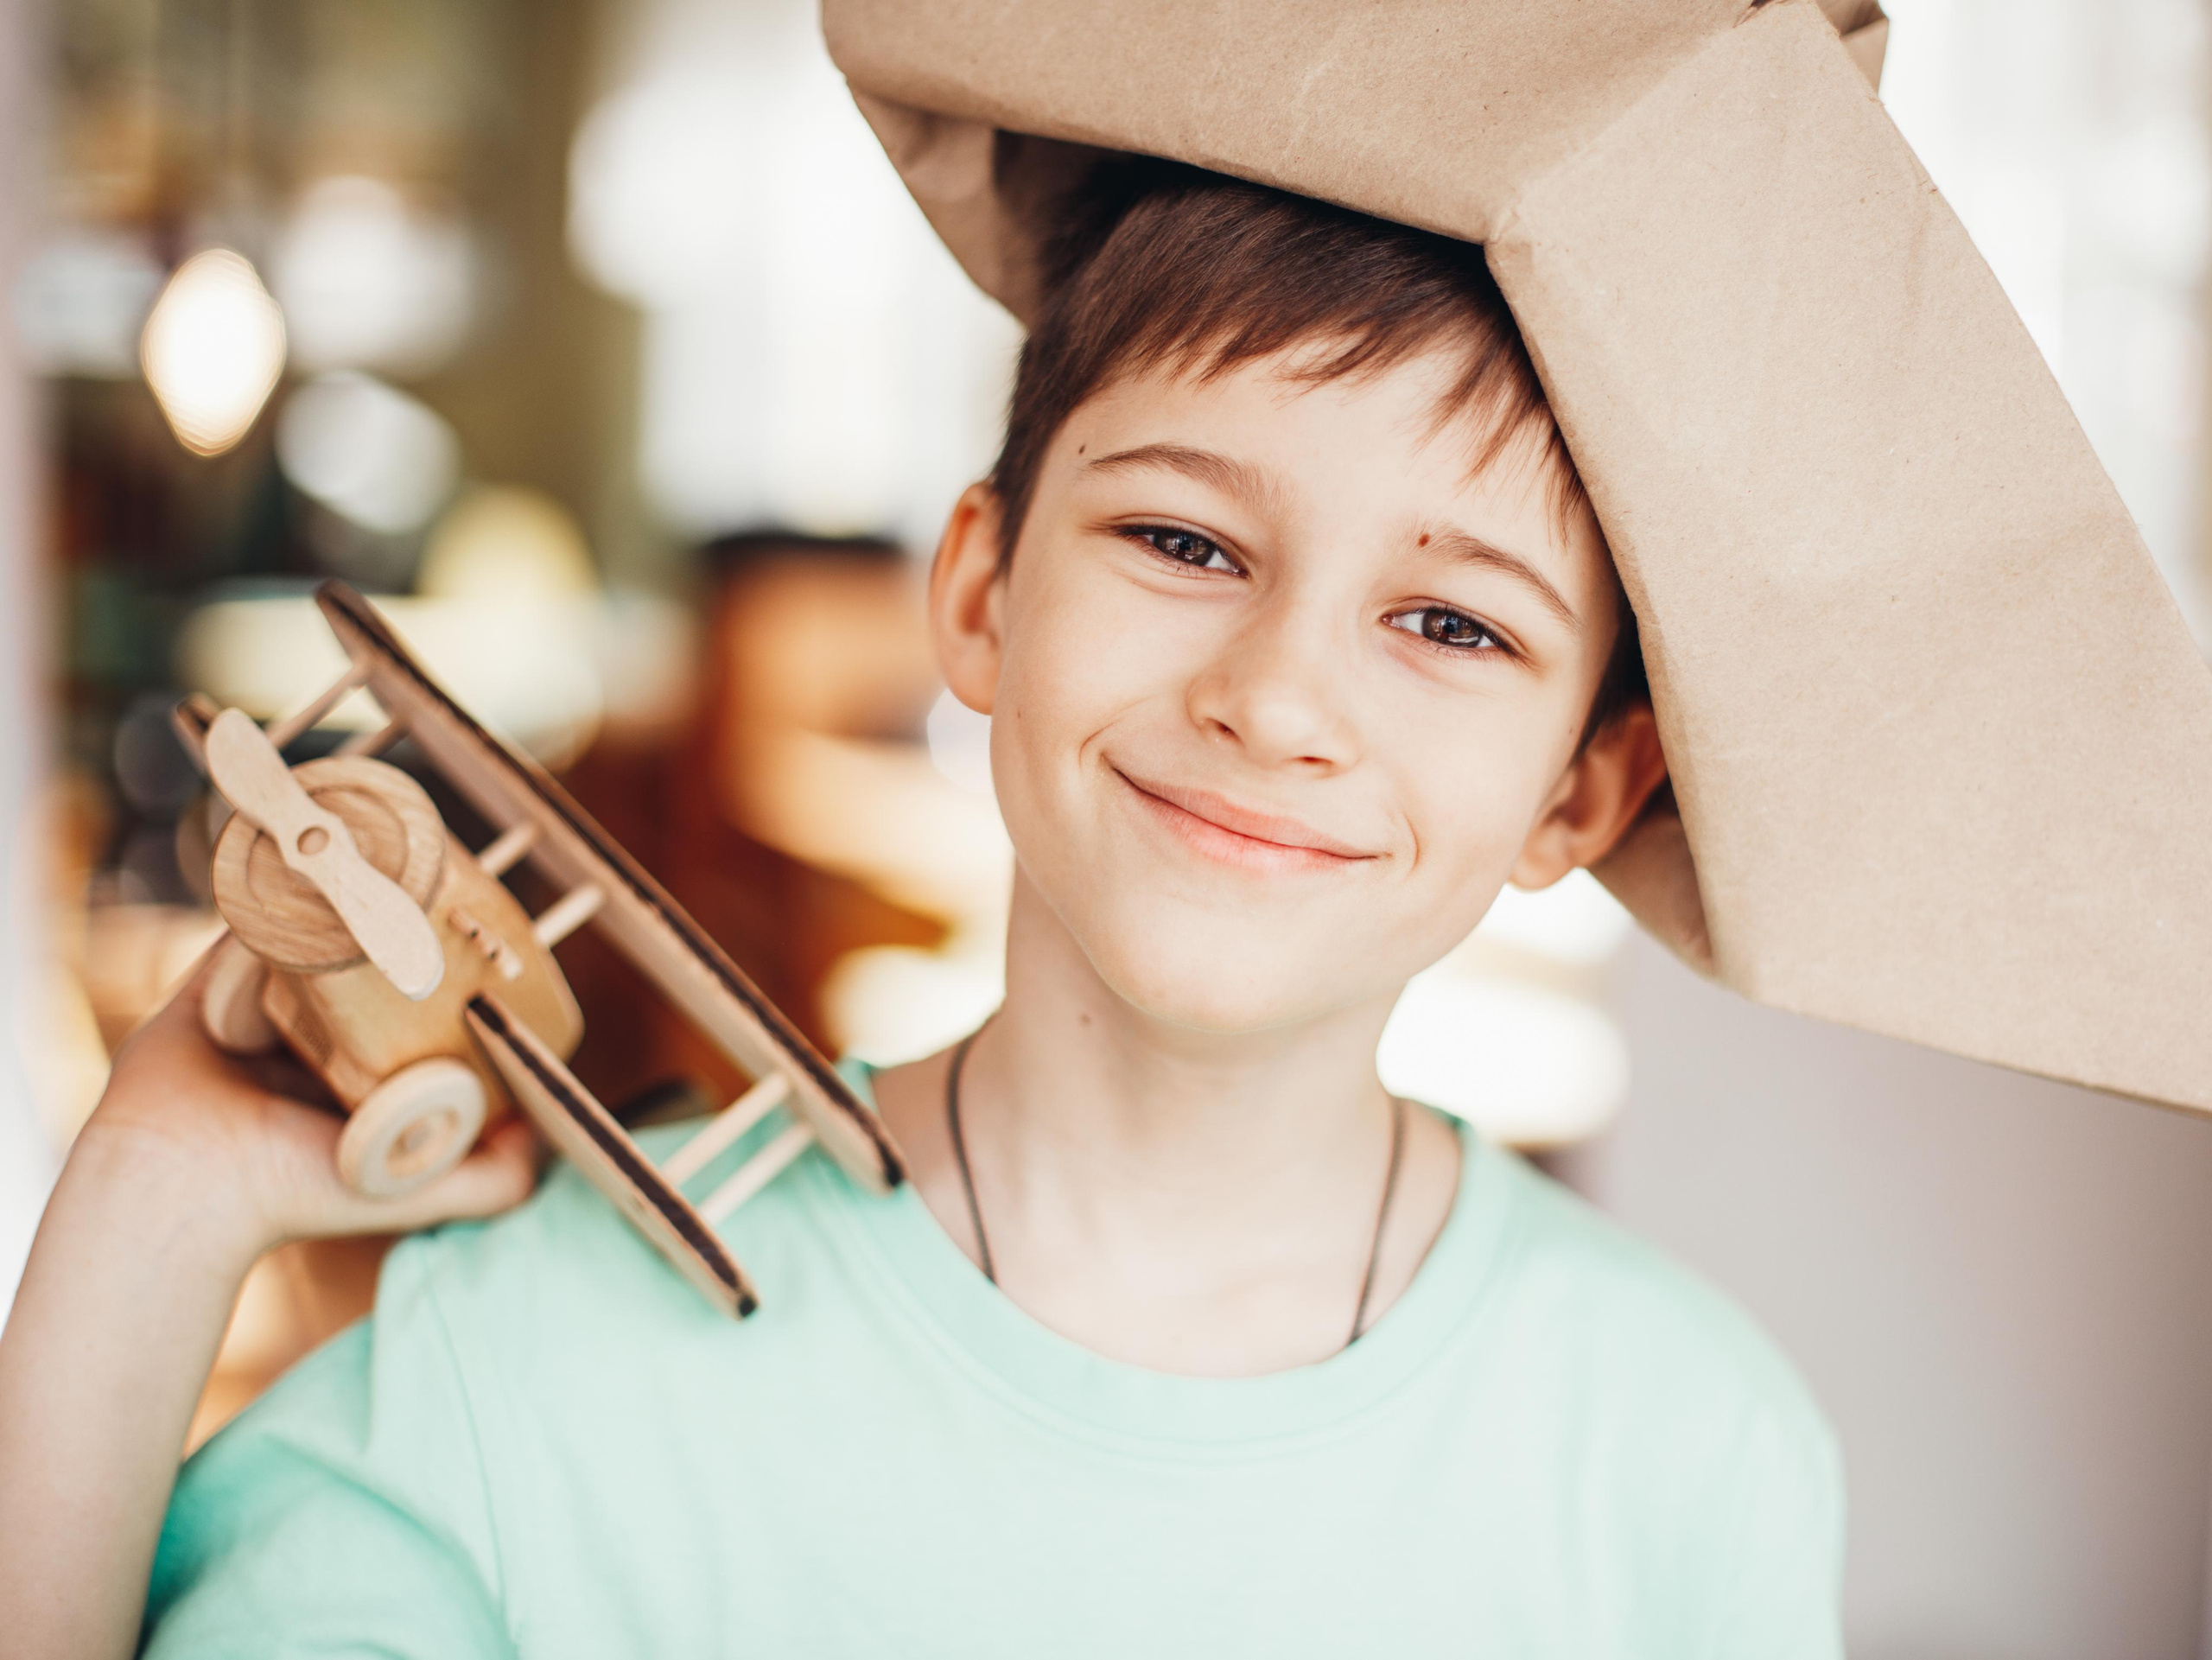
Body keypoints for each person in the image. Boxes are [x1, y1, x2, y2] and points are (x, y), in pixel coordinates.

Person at [0, 168, 1843, 1657]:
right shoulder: (518, 1380)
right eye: (1183, 543)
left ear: (1581, 793)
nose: (1276, 699)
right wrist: (153, 1198)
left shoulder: (1687, 1455)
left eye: (1453, 625)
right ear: (977, 594)